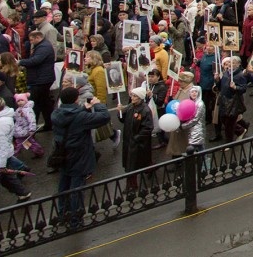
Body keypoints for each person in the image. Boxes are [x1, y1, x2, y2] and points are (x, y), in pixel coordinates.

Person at [51, 86, 111, 228]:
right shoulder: (79, 116)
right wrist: (98, 104)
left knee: (63, 185)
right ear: (76, 99)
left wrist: (84, 109)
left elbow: (72, 121)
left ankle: (62, 215)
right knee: (76, 188)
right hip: (79, 155)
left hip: (63, 154)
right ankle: (75, 219)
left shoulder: (56, 113)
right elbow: (104, 117)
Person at [0, 96, 32, 205]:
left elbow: (2, 145)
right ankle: (23, 192)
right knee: (5, 178)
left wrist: (1, 164)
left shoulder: (0, 123)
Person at [17, 31, 56, 131]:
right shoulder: (42, 46)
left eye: (31, 40)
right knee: (44, 103)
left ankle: (33, 127)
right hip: (42, 78)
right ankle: (49, 124)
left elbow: (36, 60)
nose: (31, 42)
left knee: (37, 104)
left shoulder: (43, 47)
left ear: (38, 37)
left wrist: (20, 62)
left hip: (41, 80)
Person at [116, 87, 153, 187]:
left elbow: (148, 128)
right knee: (131, 164)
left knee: (132, 166)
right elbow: (123, 120)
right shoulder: (130, 107)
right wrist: (119, 112)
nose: (132, 97)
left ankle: (131, 186)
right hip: (129, 142)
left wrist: (136, 138)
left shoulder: (145, 110)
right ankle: (150, 170)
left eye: (135, 96)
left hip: (137, 144)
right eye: (132, 95)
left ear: (140, 97)